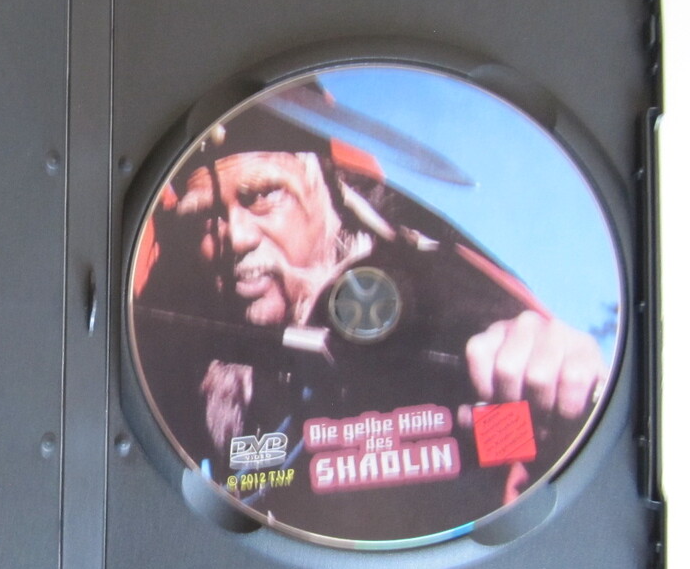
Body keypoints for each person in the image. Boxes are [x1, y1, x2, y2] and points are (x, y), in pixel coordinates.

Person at [130, 92, 608, 544]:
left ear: (328, 196)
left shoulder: (420, 290)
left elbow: (514, 404)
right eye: (205, 217)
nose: (235, 237)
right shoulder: (186, 327)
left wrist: (550, 376)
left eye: (262, 195)